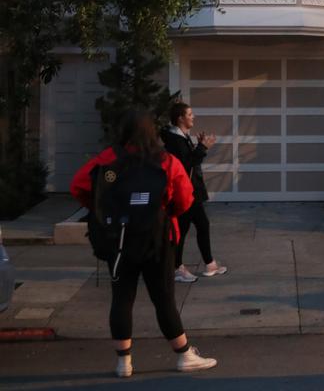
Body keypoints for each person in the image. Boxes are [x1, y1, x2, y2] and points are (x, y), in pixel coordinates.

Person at [70, 109, 217, 378]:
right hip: (158, 240)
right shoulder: (166, 161)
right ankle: (184, 355)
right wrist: (166, 213)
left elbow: (78, 186)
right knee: (163, 299)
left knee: (121, 299)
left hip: (120, 239)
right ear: (151, 132)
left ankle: (123, 363)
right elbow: (185, 198)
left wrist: (103, 210)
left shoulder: (107, 159)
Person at [161, 102, 227, 282]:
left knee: (198, 226)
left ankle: (209, 264)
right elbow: (186, 163)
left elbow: (189, 161)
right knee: (184, 229)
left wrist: (198, 145)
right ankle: (177, 268)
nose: (193, 117)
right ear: (180, 118)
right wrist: (203, 147)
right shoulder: (175, 139)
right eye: (190, 114)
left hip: (190, 191)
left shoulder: (181, 137)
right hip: (184, 192)